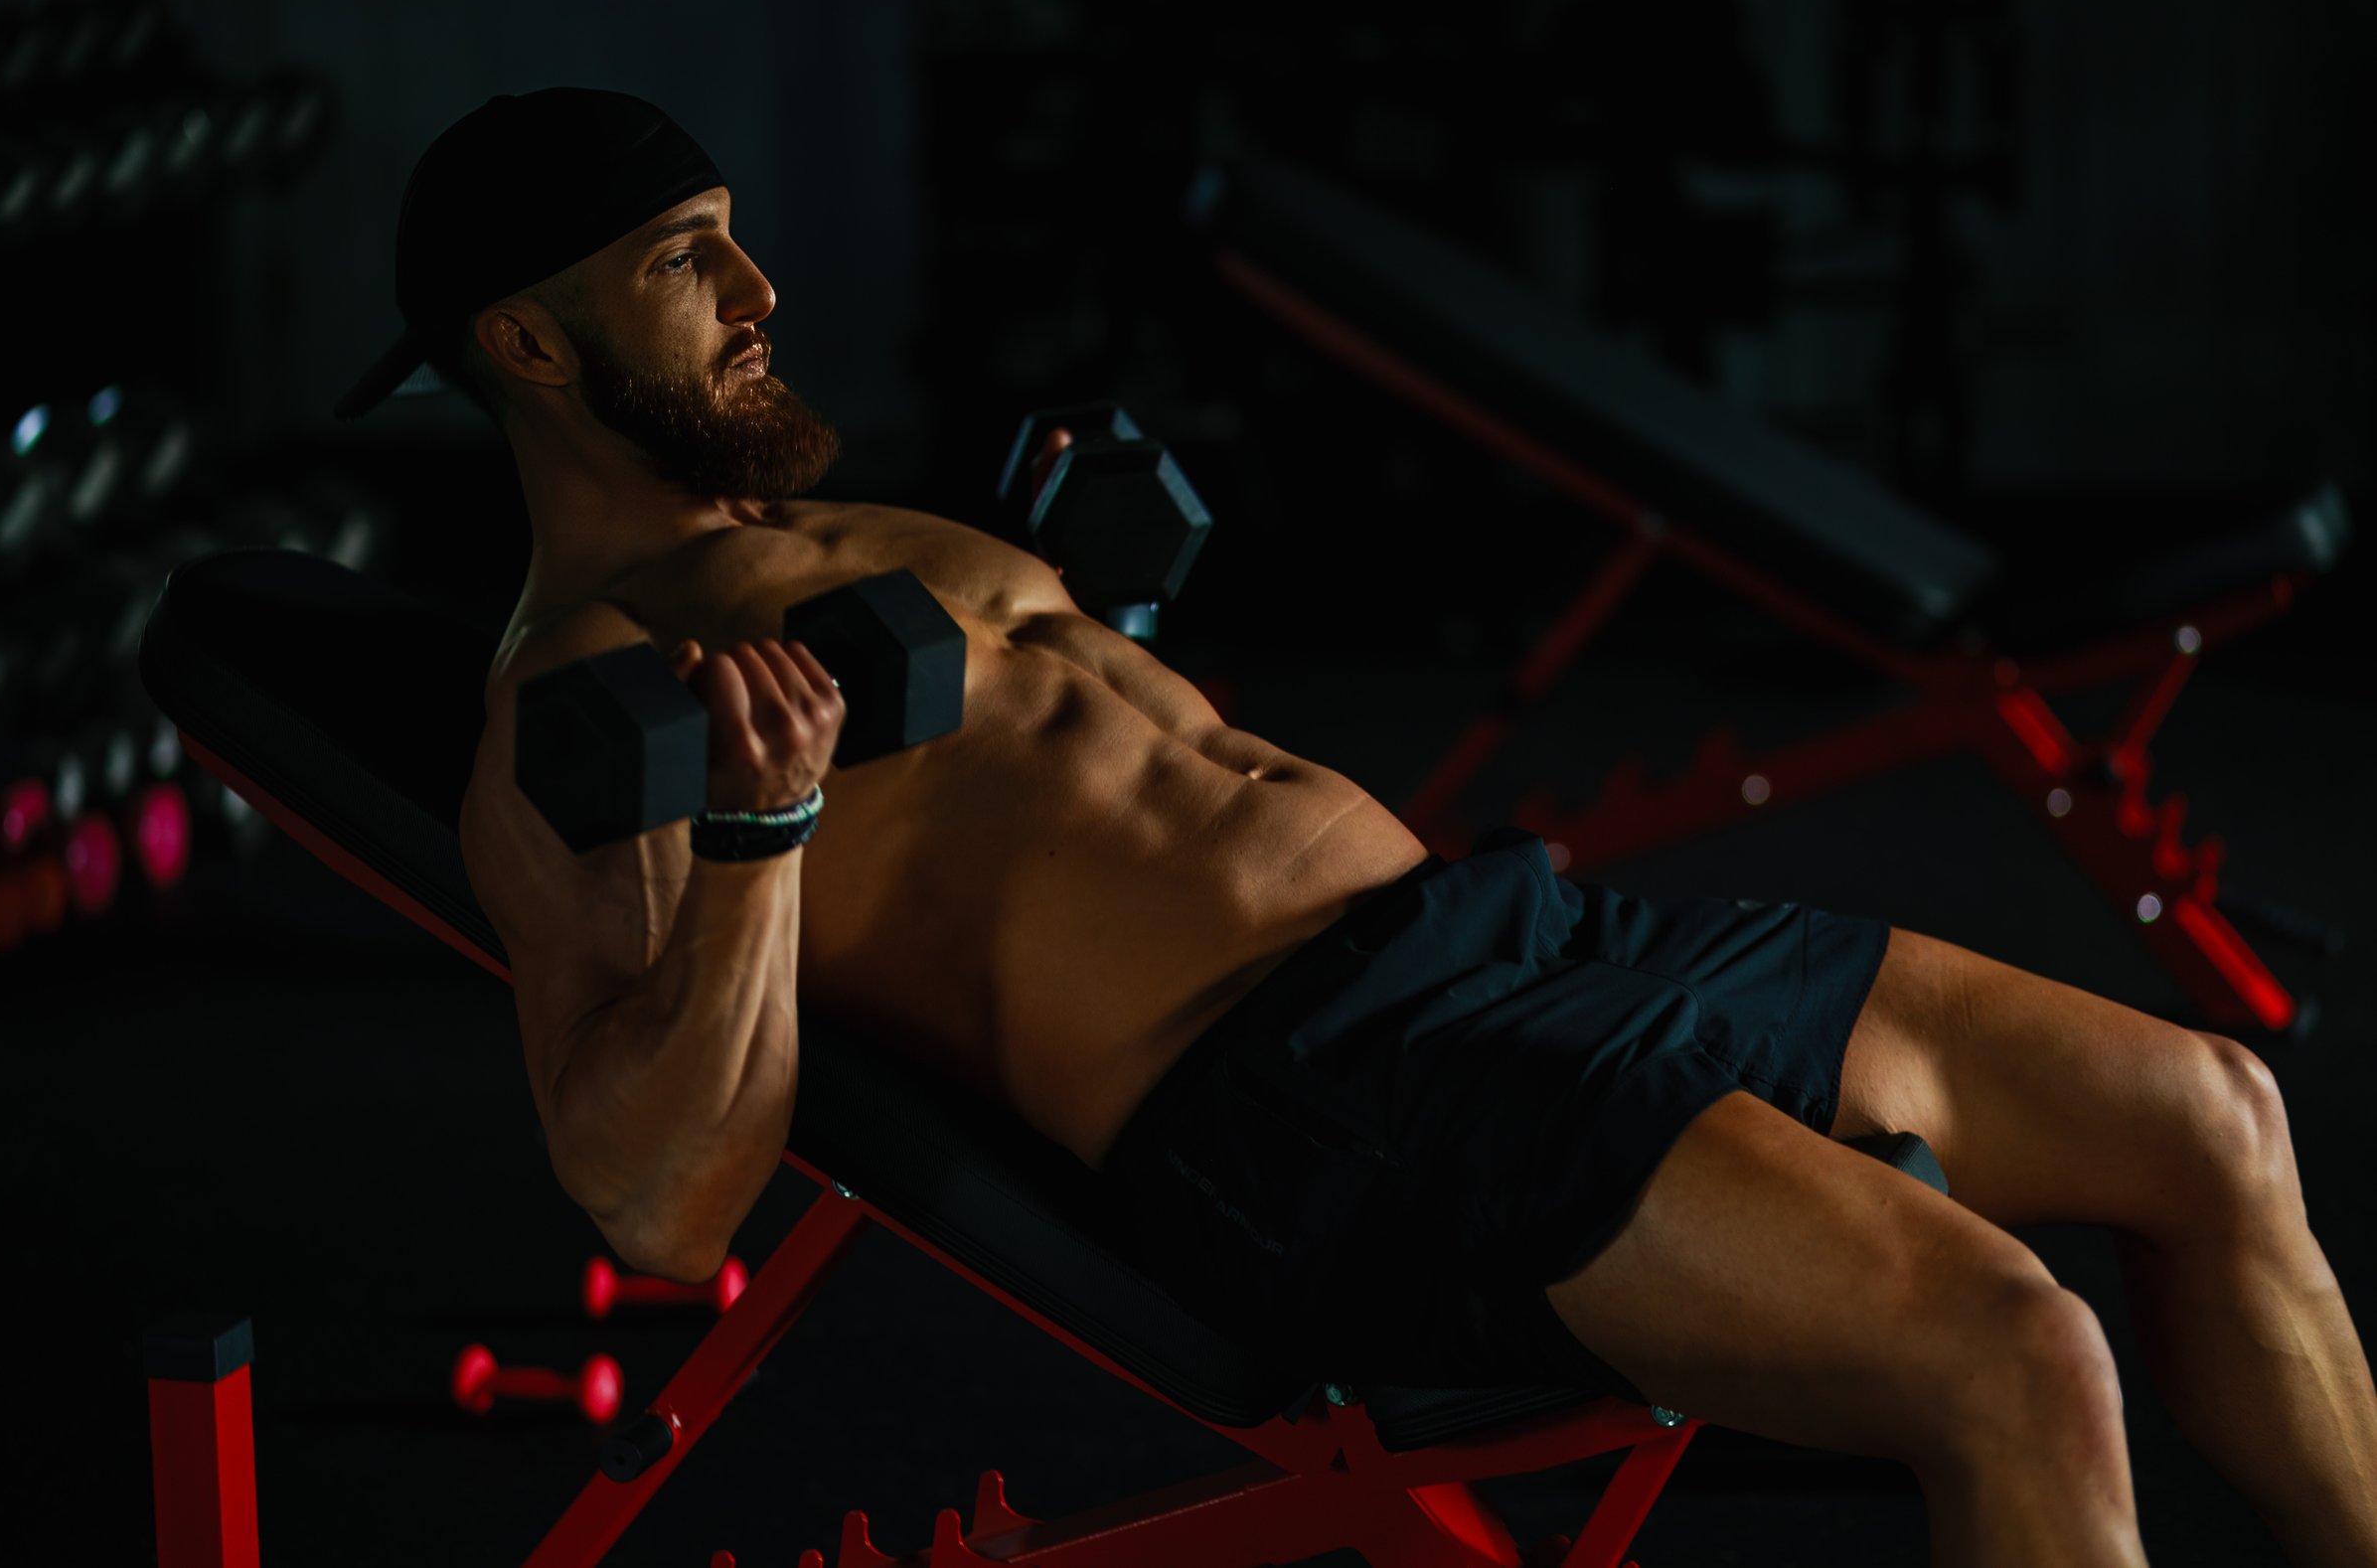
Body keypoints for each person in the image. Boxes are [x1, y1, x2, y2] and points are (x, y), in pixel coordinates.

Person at [336, 90, 2377, 1568]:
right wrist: (767, 833)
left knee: (2210, 1112)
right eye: (686, 265)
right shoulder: (575, 703)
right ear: (526, 344)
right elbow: (648, 1202)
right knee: (2012, 1356)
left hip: (1508, 948)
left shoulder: (839, 537)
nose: (757, 287)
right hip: (1327, 1099)